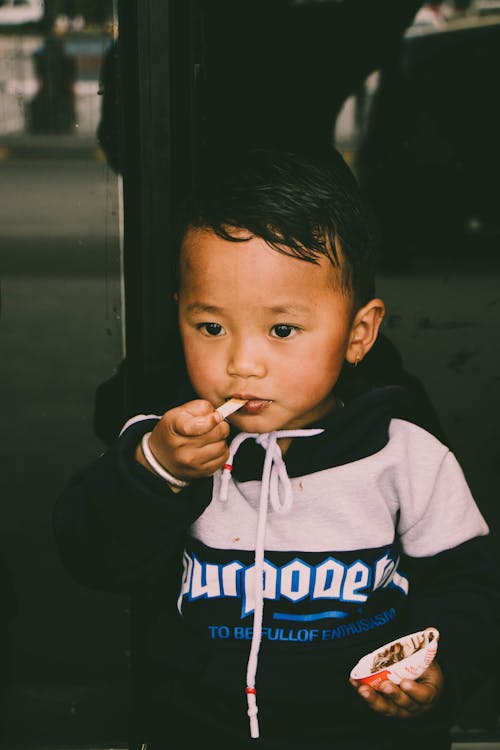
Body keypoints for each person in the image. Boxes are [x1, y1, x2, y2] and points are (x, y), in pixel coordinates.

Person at [53, 148, 498, 750]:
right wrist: (155, 470)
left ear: (358, 334)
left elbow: (470, 589)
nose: (241, 362)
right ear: (178, 316)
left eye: (282, 330)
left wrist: (442, 673)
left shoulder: (405, 457)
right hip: (197, 728)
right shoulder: (169, 448)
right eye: (210, 327)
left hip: (362, 735)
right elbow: (91, 555)